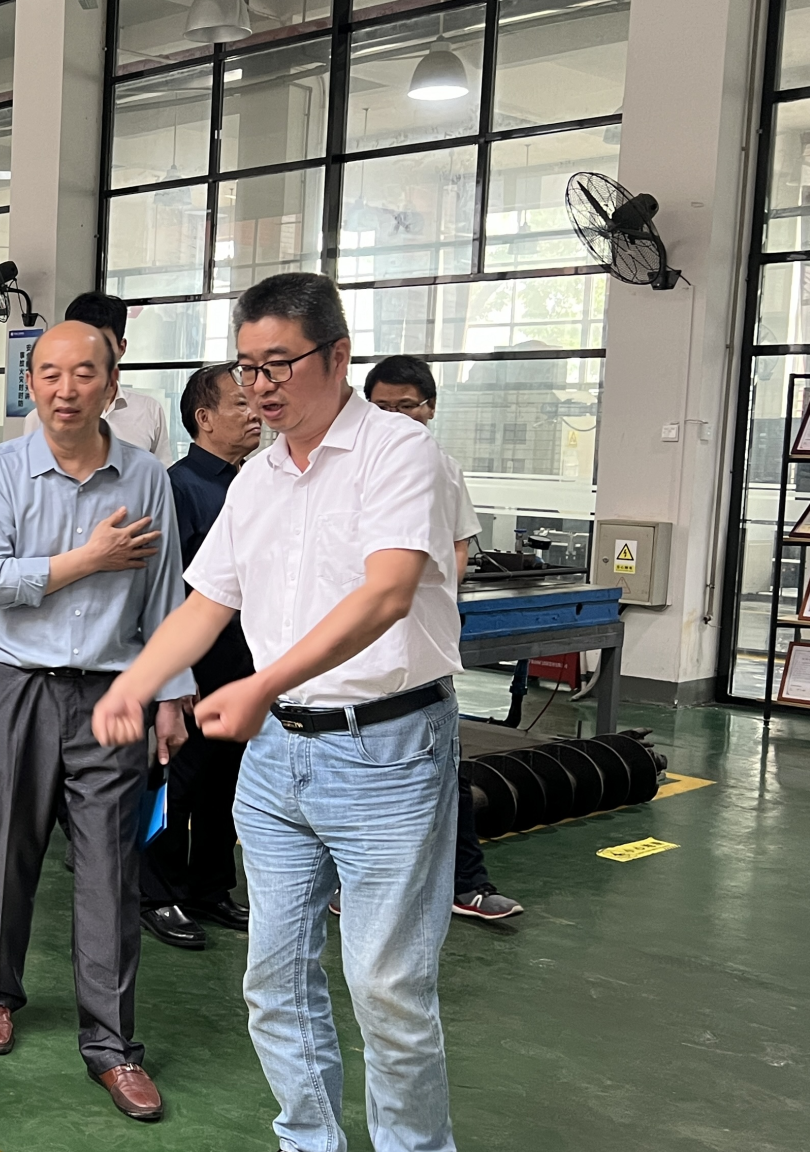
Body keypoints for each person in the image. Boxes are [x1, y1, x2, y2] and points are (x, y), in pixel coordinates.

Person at [92, 272, 464, 1152]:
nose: (259, 386)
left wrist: (261, 685)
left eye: (279, 364)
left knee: (387, 990)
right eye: (247, 368)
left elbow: (387, 594)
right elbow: (207, 603)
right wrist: (137, 682)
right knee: (275, 982)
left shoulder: (398, 454)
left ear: (338, 356)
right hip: (277, 762)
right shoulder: (257, 478)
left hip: (387, 750)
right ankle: (309, 1141)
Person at [0, 320, 193, 1122]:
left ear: (111, 382)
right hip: (15, 686)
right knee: (9, 846)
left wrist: (171, 694)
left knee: (110, 868)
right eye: (50, 374)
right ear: (31, 383)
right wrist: (88, 560)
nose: (66, 390)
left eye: (83, 373)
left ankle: (114, 1046)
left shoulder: (147, 478)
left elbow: (165, 594)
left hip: (112, 693)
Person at [364, 354, 523, 921]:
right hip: (358, 651)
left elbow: (458, 545)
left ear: (430, 408)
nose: (394, 417)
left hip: (423, 649)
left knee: (444, 771)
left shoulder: (442, 468)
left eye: (406, 406)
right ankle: (351, 886)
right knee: (360, 775)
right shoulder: (348, 469)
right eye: (381, 406)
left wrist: (431, 598)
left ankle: (466, 885)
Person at [139, 365, 262, 951]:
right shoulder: (179, 487)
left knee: (224, 783)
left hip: (242, 663)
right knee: (174, 782)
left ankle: (210, 887)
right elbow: (163, 589)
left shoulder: (255, 483)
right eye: (240, 403)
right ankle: (155, 893)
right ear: (204, 418)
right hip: (193, 666)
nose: (255, 412)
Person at [21, 292, 174, 465]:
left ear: (121, 348)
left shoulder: (148, 411)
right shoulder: (38, 418)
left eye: (102, 344)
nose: (90, 353)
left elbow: (162, 473)